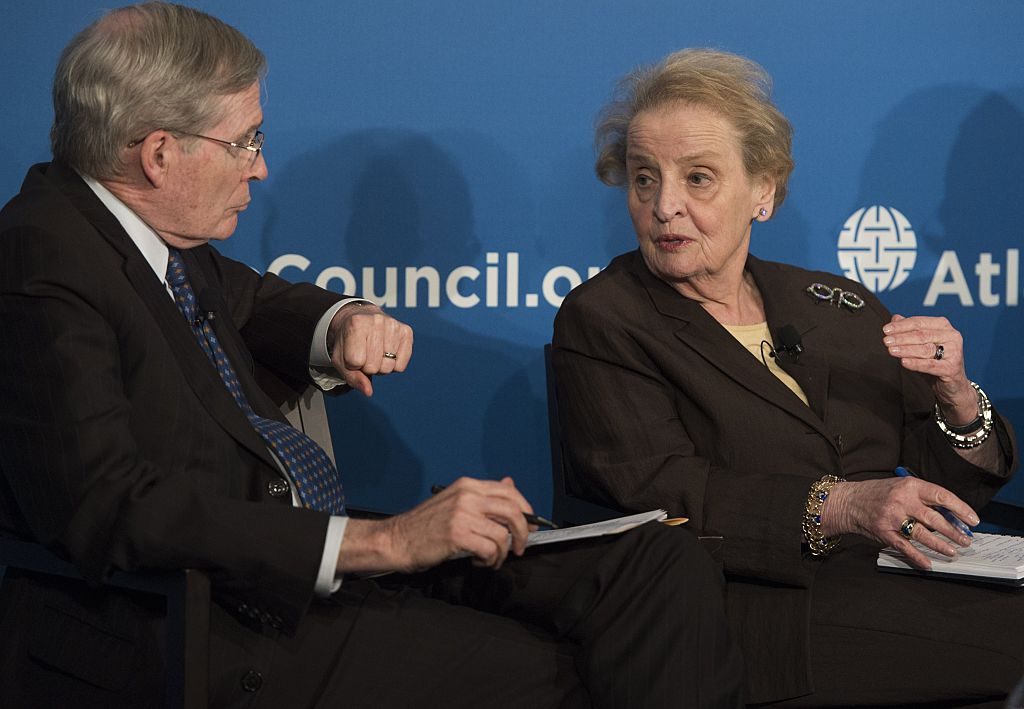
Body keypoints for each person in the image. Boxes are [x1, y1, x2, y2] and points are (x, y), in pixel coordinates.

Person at [0, 5, 746, 708]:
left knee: (654, 567)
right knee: (556, 672)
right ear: (160, 154)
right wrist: (385, 542)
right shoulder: (43, 263)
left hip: (303, 568)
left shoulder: (152, 233)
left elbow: (252, 300)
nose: (260, 169)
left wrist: (341, 320)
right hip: (211, 624)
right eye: (246, 142)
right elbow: (111, 508)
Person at [551, 48, 1023, 707]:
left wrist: (958, 400)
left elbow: (960, 486)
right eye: (643, 179)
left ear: (763, 192)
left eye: (698, 178)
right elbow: (659, 491)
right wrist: (841, 505)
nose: (664, 207)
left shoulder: (836, 303)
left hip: (893, 580)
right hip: (750, 614)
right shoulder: (604, 318)